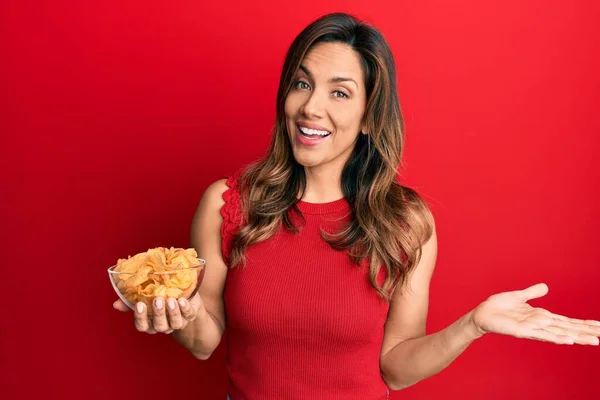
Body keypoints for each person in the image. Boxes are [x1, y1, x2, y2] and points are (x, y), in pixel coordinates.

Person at [113, 12, 600, 400]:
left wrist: (472, 326)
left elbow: (397, 368)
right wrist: (178, 310)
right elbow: (204, 342)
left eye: (339, 93)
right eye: (301, 84)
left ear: (369, 117)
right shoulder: (228, 203)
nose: (310, 108)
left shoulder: (406, 222)